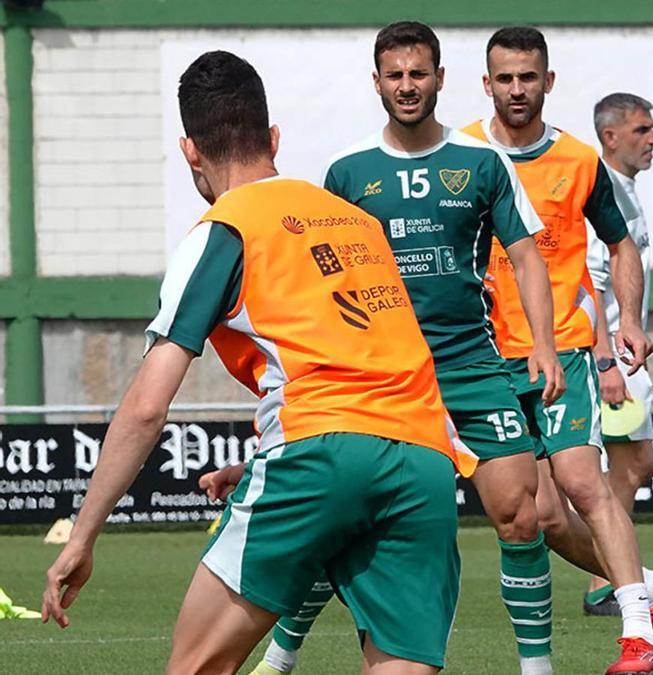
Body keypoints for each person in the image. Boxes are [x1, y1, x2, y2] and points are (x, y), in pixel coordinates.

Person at [41, 50, 469, 675]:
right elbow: (364, 365)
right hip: (426, 457)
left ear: (191, 152)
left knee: (194, 667)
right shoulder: (357, 222)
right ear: (273, 139)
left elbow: (145, 407)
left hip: (318, 455)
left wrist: (81, 537)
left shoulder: (224, 228)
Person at [214, 22, 563, 675]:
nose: (408, 85)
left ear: (439, 78)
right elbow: (324, 277)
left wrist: (542, 344)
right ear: (378, 82)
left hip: (470, 368)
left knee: (523, 512)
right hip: (381, 378)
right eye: (395, 75)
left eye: (418, 73)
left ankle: (537, 668)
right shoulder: (348, 173)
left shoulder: (481, 162)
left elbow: (525, 255)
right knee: (342, 518)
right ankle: (281, 656)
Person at [463, 26, 653, 675]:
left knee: (586, 481)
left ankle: (637, 636)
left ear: (548, 82)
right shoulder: (464, 154)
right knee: (542, 517)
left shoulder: (580, 160)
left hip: (565, 347)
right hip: (488, 357)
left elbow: (621, 245)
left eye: (528, 77)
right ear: (487, 84)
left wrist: (630, 323)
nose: (517, 89)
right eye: (505, 78)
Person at [582, 92, 653, 617]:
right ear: (610, 137)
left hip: (623, 355)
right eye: (641, 130)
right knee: (627, 469)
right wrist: (606, 359)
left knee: (635, 466)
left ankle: (608, 578)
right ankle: (606, 581)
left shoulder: (625, 190)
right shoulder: (602, 192)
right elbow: (588, 279)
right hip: (608, 359)